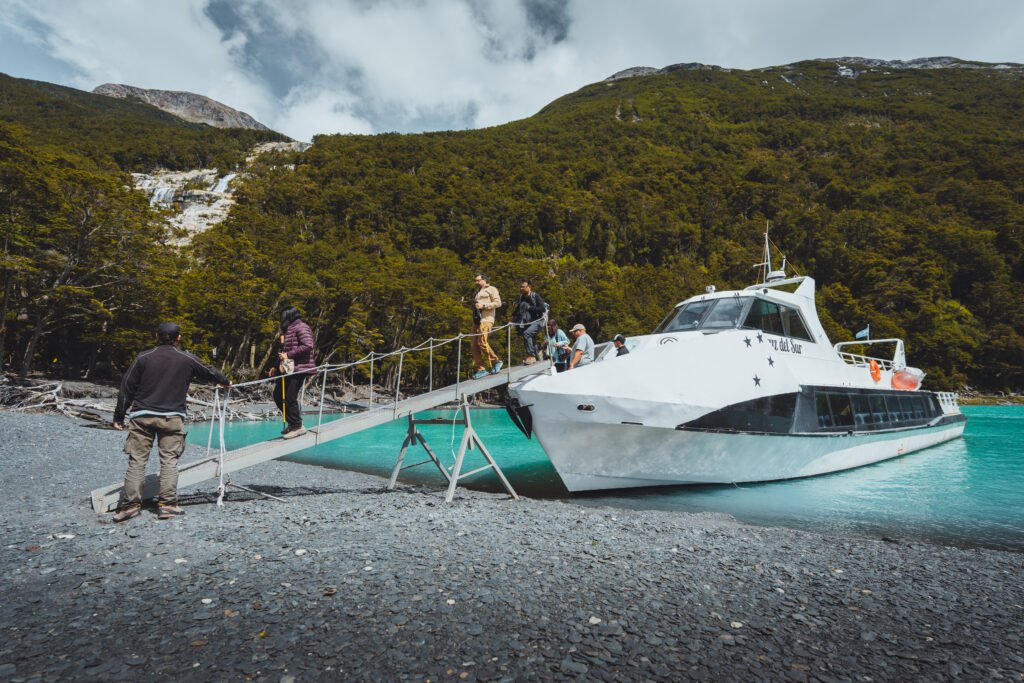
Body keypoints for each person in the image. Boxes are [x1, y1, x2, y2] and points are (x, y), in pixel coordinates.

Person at [112, 322, 230, 522]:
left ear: (156, 336)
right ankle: (167, 505)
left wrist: (118, 416)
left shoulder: (143, 357)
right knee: (169, 461)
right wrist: (224, 380)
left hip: (142, 416)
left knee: (137, 461)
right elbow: (208, 371)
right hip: (172, 417)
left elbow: (127, 386)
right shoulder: (186, 358)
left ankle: (130, 506)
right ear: (179, 338)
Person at [270, 307, 316, 439]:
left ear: (289, 316)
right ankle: (292, 424)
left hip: (299, 368)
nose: (282, 319)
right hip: (286, 369)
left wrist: (288, 355)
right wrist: (275, 366)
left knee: (290, 397)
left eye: (283, 316)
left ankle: (297, 426)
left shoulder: (301, 327)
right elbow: (282, 351)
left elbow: (308, 345)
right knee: (278, 396)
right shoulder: (288, 329)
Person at [470, 273, 503, 379]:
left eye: (478, 280)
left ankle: (496, 361)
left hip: (486, 320)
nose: (476, 282)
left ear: (484, 280)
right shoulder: (478, 292)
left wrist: (483, 305)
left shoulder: (492, 289)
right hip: (477, 321)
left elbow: (498, 303)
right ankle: (481, 369)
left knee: (482, 342)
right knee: (474, 345)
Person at [512, 278, 547, 364]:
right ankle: (536, 358)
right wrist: (513, 318)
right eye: (520, 287)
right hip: (528, 322)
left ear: (529, 287)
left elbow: (542, 309)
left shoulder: (535, 296)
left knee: (527, 334)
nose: (521, 289)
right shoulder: (521, 297)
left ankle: (531, 356)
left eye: (523, 287)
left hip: (539, 321)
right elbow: (517, 309)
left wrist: (529, 308)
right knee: (531, 338)